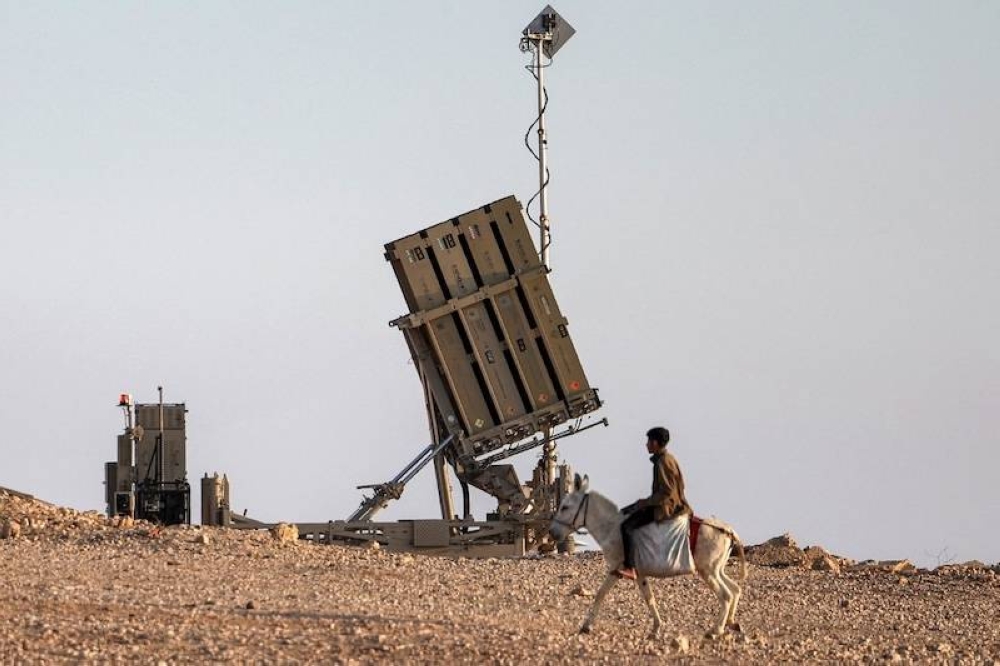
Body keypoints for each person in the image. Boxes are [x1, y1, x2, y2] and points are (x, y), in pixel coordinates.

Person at [616, 426, 692, 580]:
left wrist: (646, 502)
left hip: (665, 507)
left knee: (626, 526)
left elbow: (666, 493)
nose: (646, 444)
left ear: (655, 443)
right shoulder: (668, 459)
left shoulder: (662, 462)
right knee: (626, 511)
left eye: (649, 441)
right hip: (669, 504)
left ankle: (630, 567)